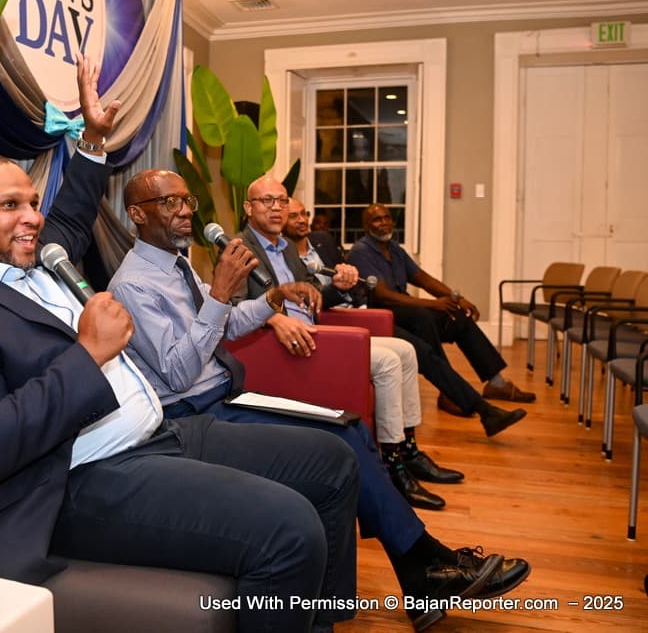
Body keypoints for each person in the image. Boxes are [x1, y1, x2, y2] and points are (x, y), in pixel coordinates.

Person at [0, 56, 361, 633]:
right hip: (81, 481)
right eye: (10, 206)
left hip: (163, 433)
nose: (32, 218)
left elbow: (78, 202)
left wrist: (93, 137)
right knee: (290, 526)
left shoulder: (34, 253)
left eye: (32, 202)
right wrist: (88, 354)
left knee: (333, 461)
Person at [108, 168, 531, 632]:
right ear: (135, 214)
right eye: (170, 203)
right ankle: (421, 566)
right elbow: (178, 371)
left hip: (226, 394)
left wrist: (271, 296)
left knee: (350, 426)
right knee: (339, 446)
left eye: (187, 201)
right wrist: (222, 293)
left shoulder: (179, 264)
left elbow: (222, 327)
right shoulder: (133, 285)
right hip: (192, 415)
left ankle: (390, 580)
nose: (185, 212)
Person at [237, 181, 461, 511]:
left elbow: (311, 295)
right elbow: (232, 303)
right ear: (248, 207)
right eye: (265, 200)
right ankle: (394, 468)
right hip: (289, 344)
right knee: (386, 361)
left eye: (281, 200)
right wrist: (272, 319)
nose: (275, 207)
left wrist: (338, 288)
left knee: (405, 351)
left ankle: (409, 451)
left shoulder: (285, 247)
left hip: (315, 329)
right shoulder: (239, 249)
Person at [348, 204, 537, 415]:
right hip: (382, 315)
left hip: (408, 313)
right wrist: (433, 304)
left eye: (387, 218)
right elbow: (384, 296)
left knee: (457, 316)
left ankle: (497, 383)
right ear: (366, 225)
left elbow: (423, 279)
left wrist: (456, 299)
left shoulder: (395, 249)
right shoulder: (361, 251)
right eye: (377, 220)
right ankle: (448, 393)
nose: (384, 223)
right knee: (423, 316)